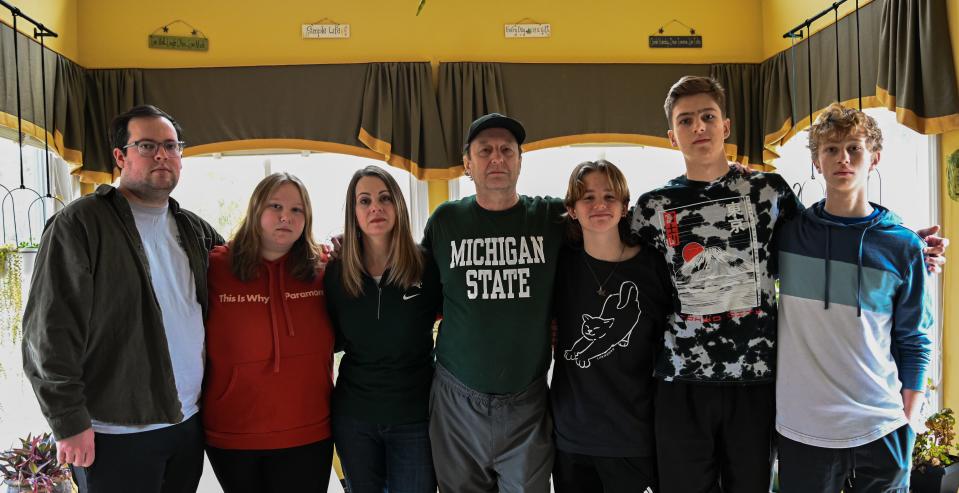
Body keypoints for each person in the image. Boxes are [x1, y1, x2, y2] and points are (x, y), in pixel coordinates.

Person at [630, 76, 948, 493]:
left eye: (708, 117)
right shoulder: (652, 207)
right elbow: (619, 260)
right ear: (672, 136)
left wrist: (909, 247)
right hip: (682, 380)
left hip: (759, 381)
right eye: (686, 121)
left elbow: (840, 228)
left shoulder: (769, 191)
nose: (699, 127)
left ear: (725, 126)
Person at [22, 105, 223, 492]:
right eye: (147, 145)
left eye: (171, 146)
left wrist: (322, 256)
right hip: (114, 432)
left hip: (186, 423)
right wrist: (69, 423)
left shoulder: (193, 229)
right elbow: (48, 333)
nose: (162, 155)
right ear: (120, 156)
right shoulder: (79, 225)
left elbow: (248, 267)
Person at [775, 103, 932, 492]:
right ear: (816, 162)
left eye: (854, 148)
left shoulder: (903, 247)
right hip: (802, 429)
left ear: (874, 158)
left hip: (882, 427)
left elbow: (915, 339)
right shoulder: (788, 235)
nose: (842, 158)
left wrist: (909, 419)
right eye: (830, 149)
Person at [423, 113, 564, 492]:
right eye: (485, 151)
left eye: (507, 150)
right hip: (457, 397)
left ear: (520, 160)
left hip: (527, 398)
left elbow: (606, 213)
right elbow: (414, 282)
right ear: (468, 163)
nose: (497, 158)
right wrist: (345, 244)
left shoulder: (551, 217)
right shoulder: (445, 221)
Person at [202, 172, 335, 492]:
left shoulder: (325, 268)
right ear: (256, 209)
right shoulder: (214, 267)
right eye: (275, 206)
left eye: (297, 210)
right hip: (233, 432)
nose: (286, 217)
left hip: (309, 430)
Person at [550, 160, 671, 493]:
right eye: (587, 197)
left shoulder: (653, 265)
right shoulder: (561, 266)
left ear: (625, 206)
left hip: (634, 436)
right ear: (572, 210)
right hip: (573, 437)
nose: (599, 205)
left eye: (609, 196)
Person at [324, 165, 441, 493]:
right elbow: (328, 338)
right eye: (364, 200)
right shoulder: (335, 272)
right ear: (354, 212)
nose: (375, 207)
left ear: (399, 206)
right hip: (354, 416)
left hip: (414, 416)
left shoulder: (427, 266)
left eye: (384, 198)